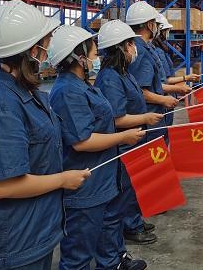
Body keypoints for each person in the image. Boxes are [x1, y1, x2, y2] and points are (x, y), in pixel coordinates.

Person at [0, 0, 90, 270]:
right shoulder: (1, 108)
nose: (49, 50)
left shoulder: (28, 93)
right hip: (14, 244)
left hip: (36, 231)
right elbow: (5, 186)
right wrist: (63, 179)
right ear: (33, 51)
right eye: (46, 43)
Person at [48, 25, 147, 270]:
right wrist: (123, 137)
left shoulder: (83, 85)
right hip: (86, 183)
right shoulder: (67, 91)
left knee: (109, 227)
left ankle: (113, 263)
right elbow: (82, 141)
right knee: (79, 252)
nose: (97, 59)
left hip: (104, 176)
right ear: (79, 58)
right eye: (94, 55)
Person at [95, 20, 164, 246]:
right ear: (121, 48)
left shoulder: (122, 73)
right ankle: (130, 226)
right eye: (130, 44)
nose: (134, 49)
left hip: (135, 139)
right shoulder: (109, 78)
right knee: (124, 188)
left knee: (133, 185)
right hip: (124, 143)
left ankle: (133, 220)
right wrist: (145, 118)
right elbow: (117, 118)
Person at [125, 1, 179, 141]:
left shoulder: (140, 48)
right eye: (155, 23)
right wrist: (163, 99)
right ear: (150, 25)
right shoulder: (141, 52)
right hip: (149, 117)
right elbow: (138, 90)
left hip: (148, 117)